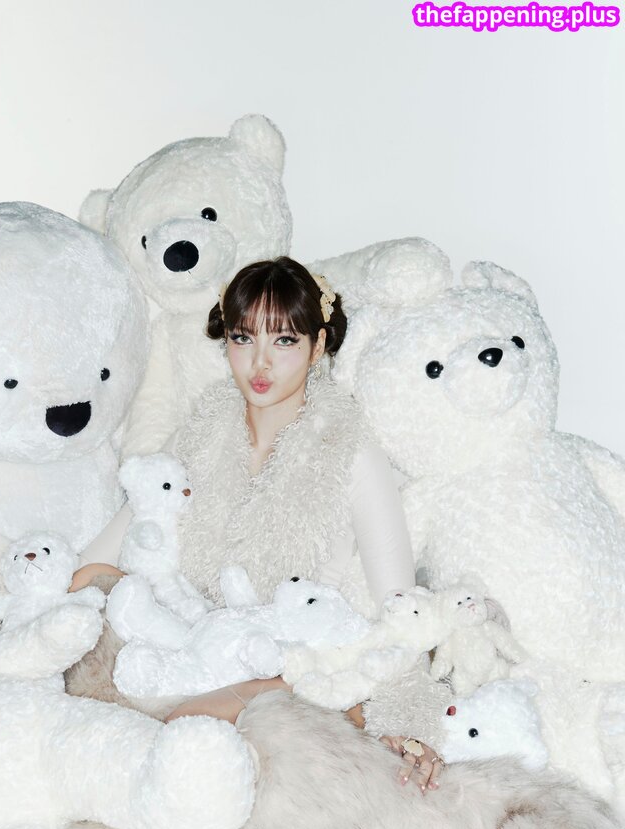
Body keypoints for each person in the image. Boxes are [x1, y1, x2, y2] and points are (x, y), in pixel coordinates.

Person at [73, 256, 443, 793]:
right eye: (243, 338)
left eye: (284, 340)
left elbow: (404, 612)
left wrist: (407, 721)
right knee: (91, 615)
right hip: (194, 645)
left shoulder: (352, 452)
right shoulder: (201, 433)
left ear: (318, 346)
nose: (260, 363)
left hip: (294, 671)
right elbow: (98, 558)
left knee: (191, 724)